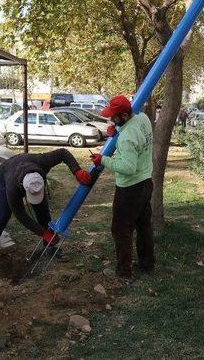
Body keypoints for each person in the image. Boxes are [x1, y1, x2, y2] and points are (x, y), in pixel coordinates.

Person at [90, 95, 155, 279]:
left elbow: (127, 167)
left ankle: (124, 272)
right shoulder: (142, 118)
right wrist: (117, 129)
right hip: (145, 182)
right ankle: (147, 264)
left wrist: (103, 159)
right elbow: (135, 134)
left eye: (115, 117)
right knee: (143, 226)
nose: (111, 119)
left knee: (121, 229)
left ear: (125, 116)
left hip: (129, 189)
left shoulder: (127, 138)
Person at [0, 148, 92, 258]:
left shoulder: (42, 161)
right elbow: (20, 214)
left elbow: (62, 153)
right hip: (5, 172)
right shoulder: (12, 188)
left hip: (24, 164)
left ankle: (49, 246)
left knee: (43, 211)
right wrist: (42, 233)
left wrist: (77, 171)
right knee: (3, 216)